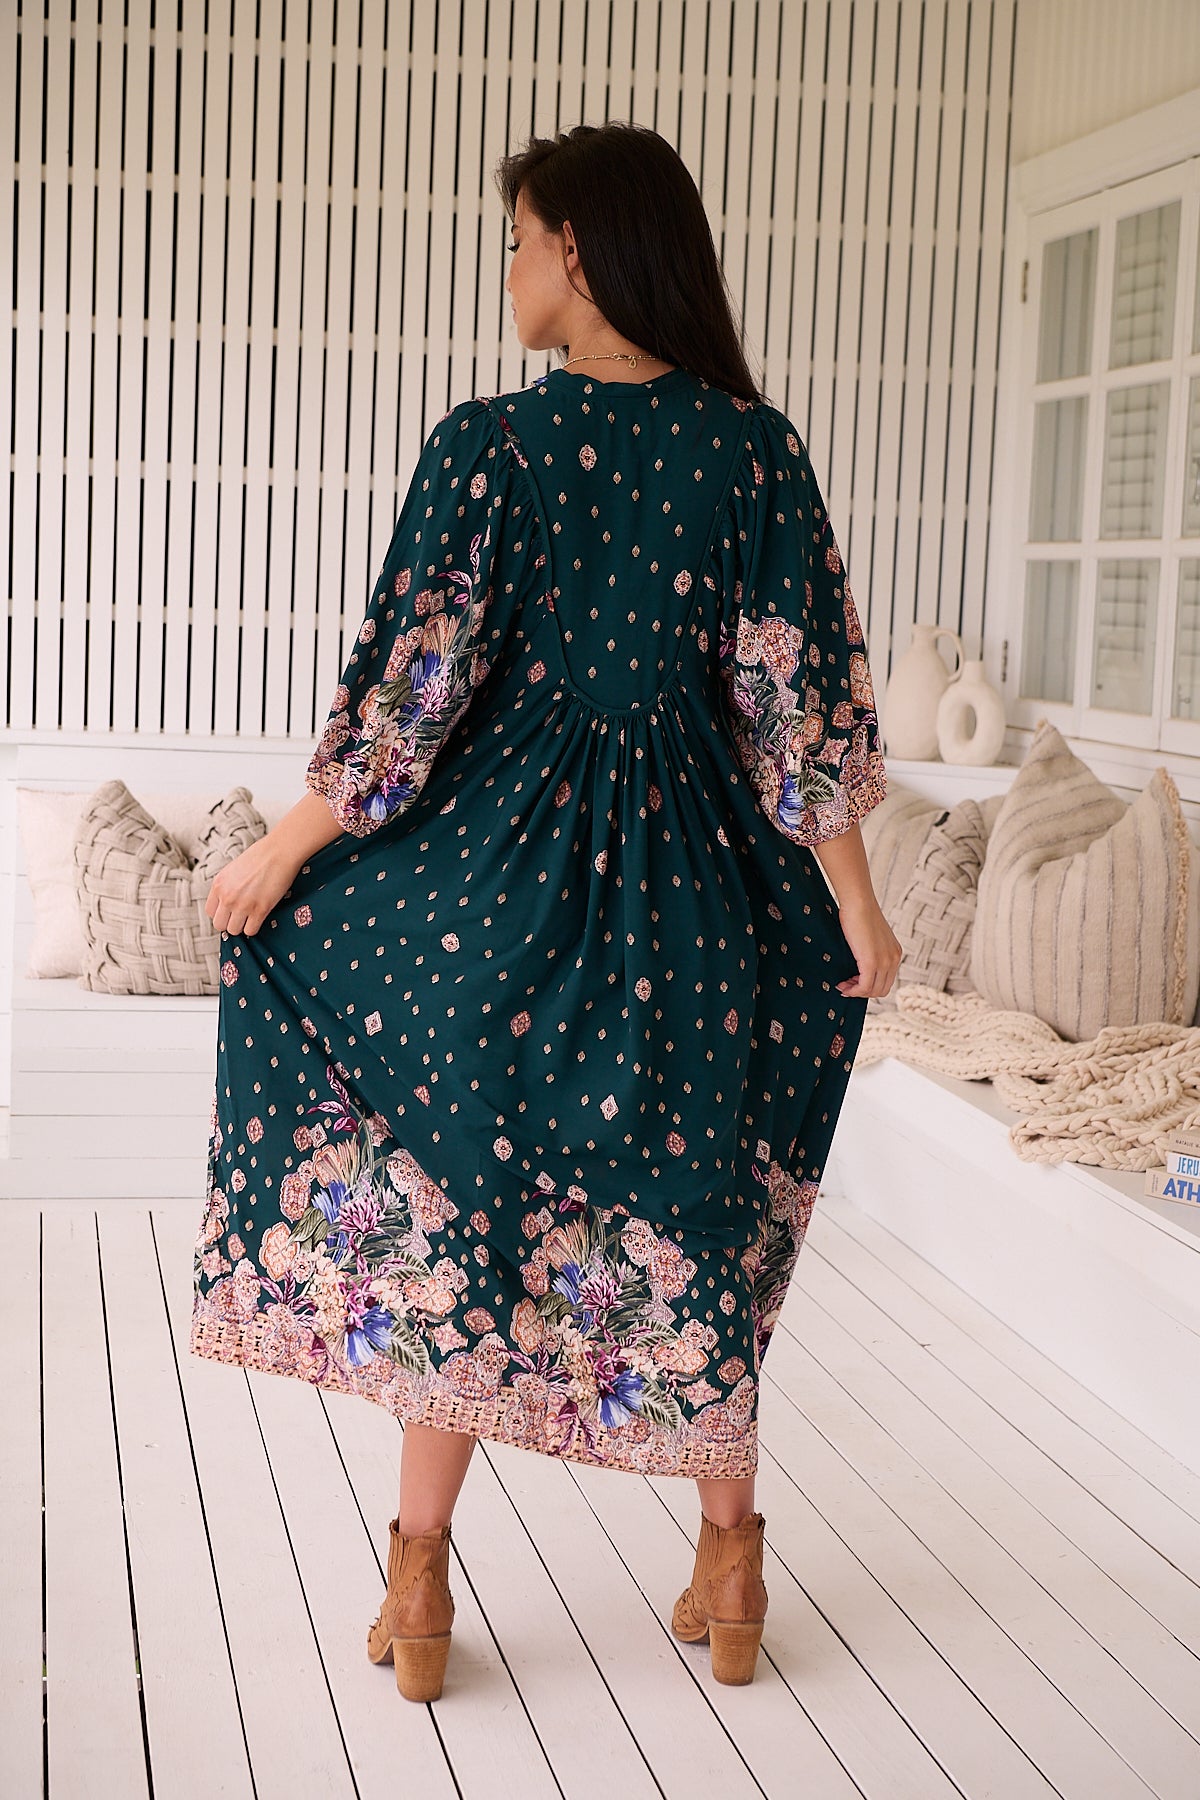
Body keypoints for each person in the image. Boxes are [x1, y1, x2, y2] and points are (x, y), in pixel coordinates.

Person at [192, 120, 902, 1702]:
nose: (508, 270)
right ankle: (732, 1571)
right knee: (703, 1215)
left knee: (456, 1212)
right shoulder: (754, 450)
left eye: (518, 240)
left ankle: (424, 1589)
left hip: (488, 907)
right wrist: (858, 910)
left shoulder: (491, 448)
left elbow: (410, 699)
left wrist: (285, 853)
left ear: (576, 247)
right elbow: (802, 713)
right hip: (695, 917)